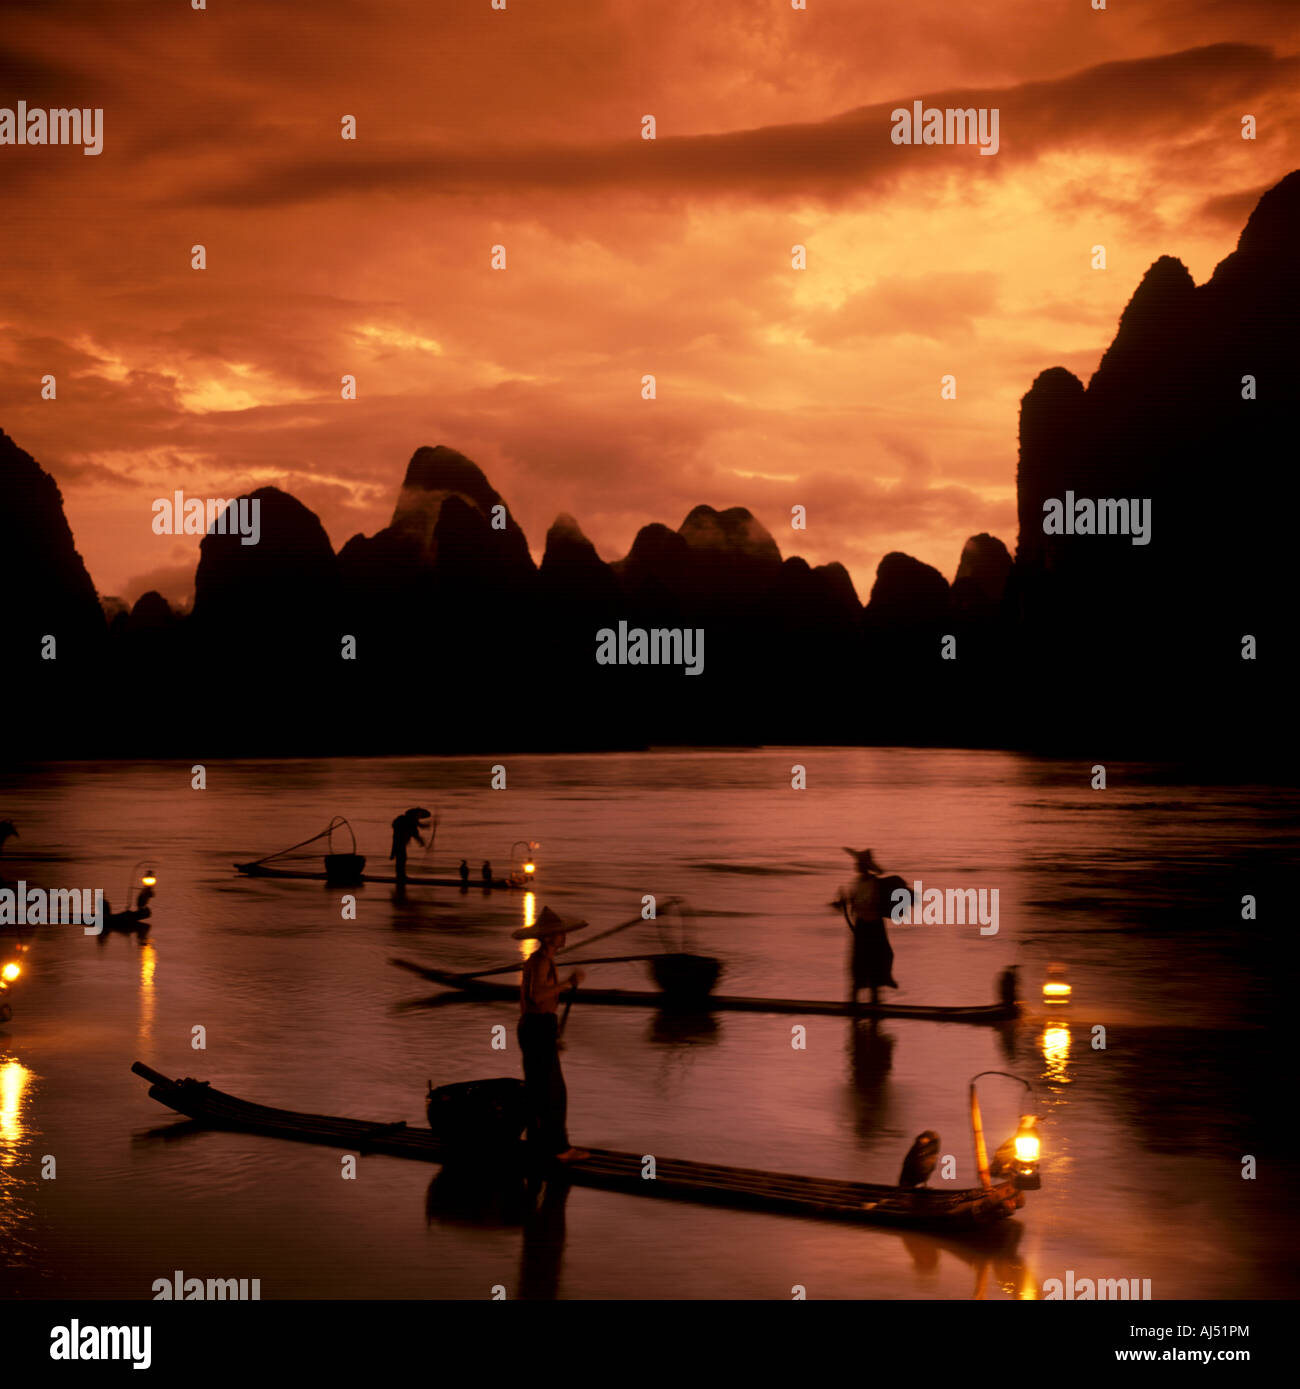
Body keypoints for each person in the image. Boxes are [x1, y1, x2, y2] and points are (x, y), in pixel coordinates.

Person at [513, 906, 590, 1164]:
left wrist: (552, 1034)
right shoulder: (541, 962)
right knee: (554, 1091)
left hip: (536, 1026)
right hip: (536, 1027)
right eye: (558, 934)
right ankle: (559, 1148)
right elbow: (537, 996)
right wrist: (568, 983)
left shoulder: (539, 961)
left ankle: (538, 1142)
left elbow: (534, 1001)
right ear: (547, 938)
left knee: (539, 1089)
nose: (563, 937)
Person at [835, 847, 899, 1009]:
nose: (856, 865)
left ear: (865, 866)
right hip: (862, 927)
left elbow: (868, 903)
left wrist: (850, 903)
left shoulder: (873, 884)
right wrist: (841, 903)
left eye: (859, 863)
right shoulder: (856, 883)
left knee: (874, 963)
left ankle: (874, 1003)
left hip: (874, 927)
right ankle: (855, 1003)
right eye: (857, 862)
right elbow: (853, 902)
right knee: (857, 964)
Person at [390, 808, 429, 885]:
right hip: (399, 839)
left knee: (401, 857)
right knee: (401, 857)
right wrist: (421, 842)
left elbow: (419, 826)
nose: (419, 817)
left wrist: (428, 825)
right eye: (419, 815)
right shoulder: (408, 820)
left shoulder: (410, 819)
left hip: (400, 840)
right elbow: (415, 832)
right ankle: (400, 876)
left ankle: (401, 875)